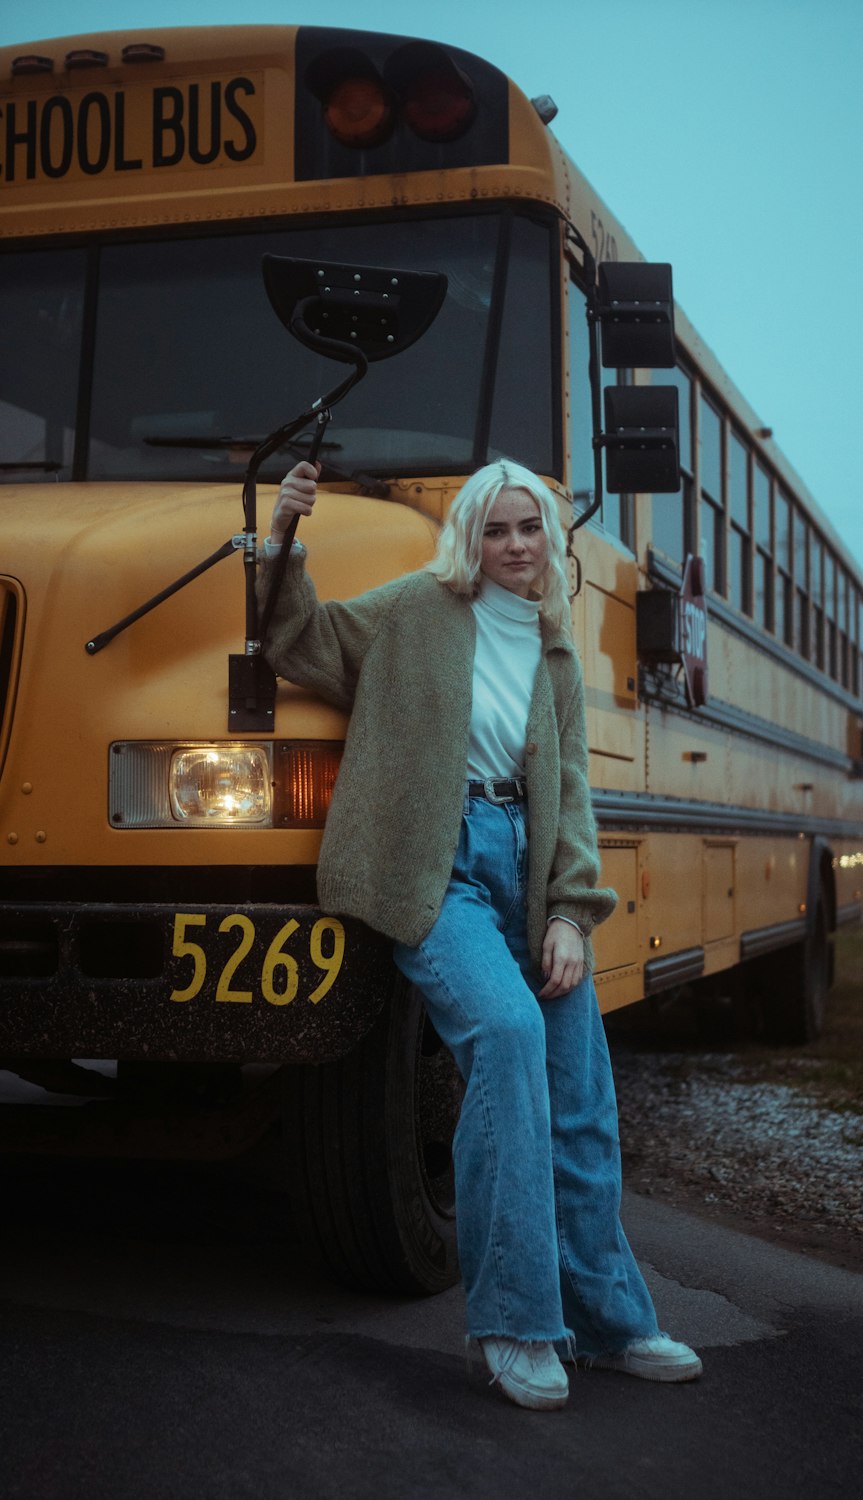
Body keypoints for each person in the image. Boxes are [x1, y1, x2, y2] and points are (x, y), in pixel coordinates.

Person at [260, 456, 703, 1411]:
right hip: (440, 866)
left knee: (580, 1093)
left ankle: (611, 1321)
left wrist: (572, 915)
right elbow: (300, 641)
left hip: (531, 869)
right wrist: (284, 535)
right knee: (506, 1037)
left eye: (530, 528)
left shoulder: (553, 645)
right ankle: (514, 1324)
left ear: (551, 537)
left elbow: (572, 788)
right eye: (497, 529)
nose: (514, 546)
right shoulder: (416, 610)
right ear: (471, 535)